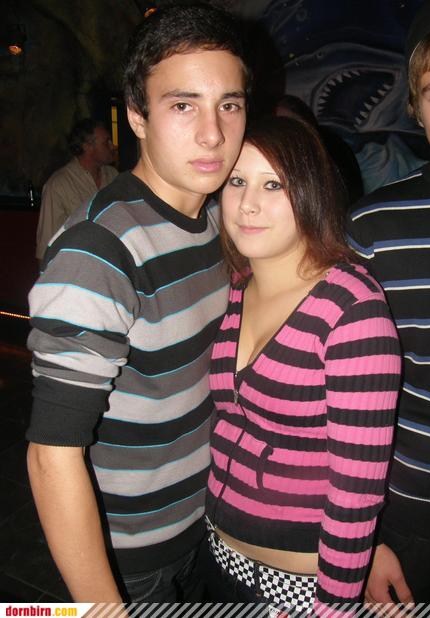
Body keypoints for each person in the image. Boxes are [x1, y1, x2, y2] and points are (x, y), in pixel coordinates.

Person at [26, 2, 248, 603]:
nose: (213, 133)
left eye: (229, 104)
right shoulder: (99, 249)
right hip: (131, 560)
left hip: (204, 526)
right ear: (136, 116)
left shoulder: (216, 222)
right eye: (183, 105)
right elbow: (51, 457)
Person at [202, 115, 402, 614]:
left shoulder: (351, 309)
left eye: (273, 184)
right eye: (236, 182)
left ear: (310, 192)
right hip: (217, 557)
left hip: (295, 589)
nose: (248, 203)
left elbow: (356, 494)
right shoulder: (238, 286)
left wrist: (333, 608)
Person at [347, 0, 430, 604]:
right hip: (412, 523)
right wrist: (363, 539)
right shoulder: (372, 229)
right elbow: (337, 400)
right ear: (416, 107)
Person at [35, 119, 118, 260]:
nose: (112, 146)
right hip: (77, 265)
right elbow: (45, 247)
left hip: (113, 264)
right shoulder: (58, 185)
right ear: (88, 147)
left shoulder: (113, 176)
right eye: (106, 142)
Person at [275, 94, 364, 205]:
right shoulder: (326, 140)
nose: (281, 132)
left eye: (287, 124)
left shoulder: (324, 145)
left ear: (303, 121)